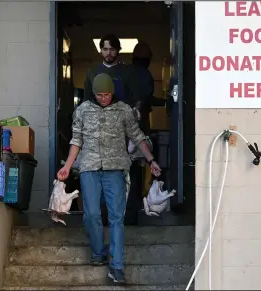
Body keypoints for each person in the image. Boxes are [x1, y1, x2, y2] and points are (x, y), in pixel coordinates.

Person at [57, 73, 161, 284]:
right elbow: (76, 140)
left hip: (115, 169)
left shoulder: (124, 110)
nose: (103, 98)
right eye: (99, 95)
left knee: (116, 217)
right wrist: (67, 167)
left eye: (106, 94)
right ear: (93, 93)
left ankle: (117, 266)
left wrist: (151, 160)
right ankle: (98, 251)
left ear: (112, 93)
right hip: (89, 168)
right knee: (92, 214)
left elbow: (137, 136)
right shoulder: (83, 111)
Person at [122, 41, 155, 225]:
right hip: (137, 128)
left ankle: (121, 212)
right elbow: (141, 102)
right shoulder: (145, 75)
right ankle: (132, 214)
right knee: (135, 172)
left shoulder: (125, 73)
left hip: (121, 129)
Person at [83, 34, 128, 104]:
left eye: (112, 49)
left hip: (121, 113)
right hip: (97, 114)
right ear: (100, 50)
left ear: (118, 50)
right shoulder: (92, 72)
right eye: (105, 49)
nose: (108, 53)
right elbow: (86, 100)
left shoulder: (127, 71)